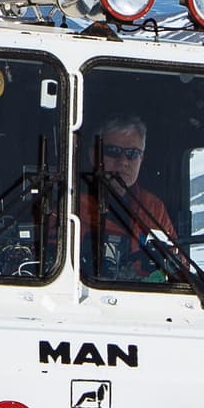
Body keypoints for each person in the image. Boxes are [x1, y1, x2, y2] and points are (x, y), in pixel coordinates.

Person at [78, 115, 180, 283]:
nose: (123, 161)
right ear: (93, 154)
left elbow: (177, 266)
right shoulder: (69, 204)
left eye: (132, 154)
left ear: (141, 159)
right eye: (113, 152)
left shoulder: (153, 207)